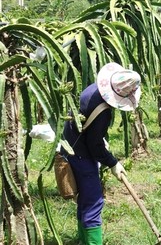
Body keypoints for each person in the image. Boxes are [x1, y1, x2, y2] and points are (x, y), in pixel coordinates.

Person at [61, 63, 141, 244]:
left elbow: (88, 125)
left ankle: (83, 240)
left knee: (85, 199)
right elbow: (94, 146)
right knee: (94, 201)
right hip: (82, 154)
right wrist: (113, 163)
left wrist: (98, 137)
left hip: (71, 145)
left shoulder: (93, 89)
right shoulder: (103, 112)